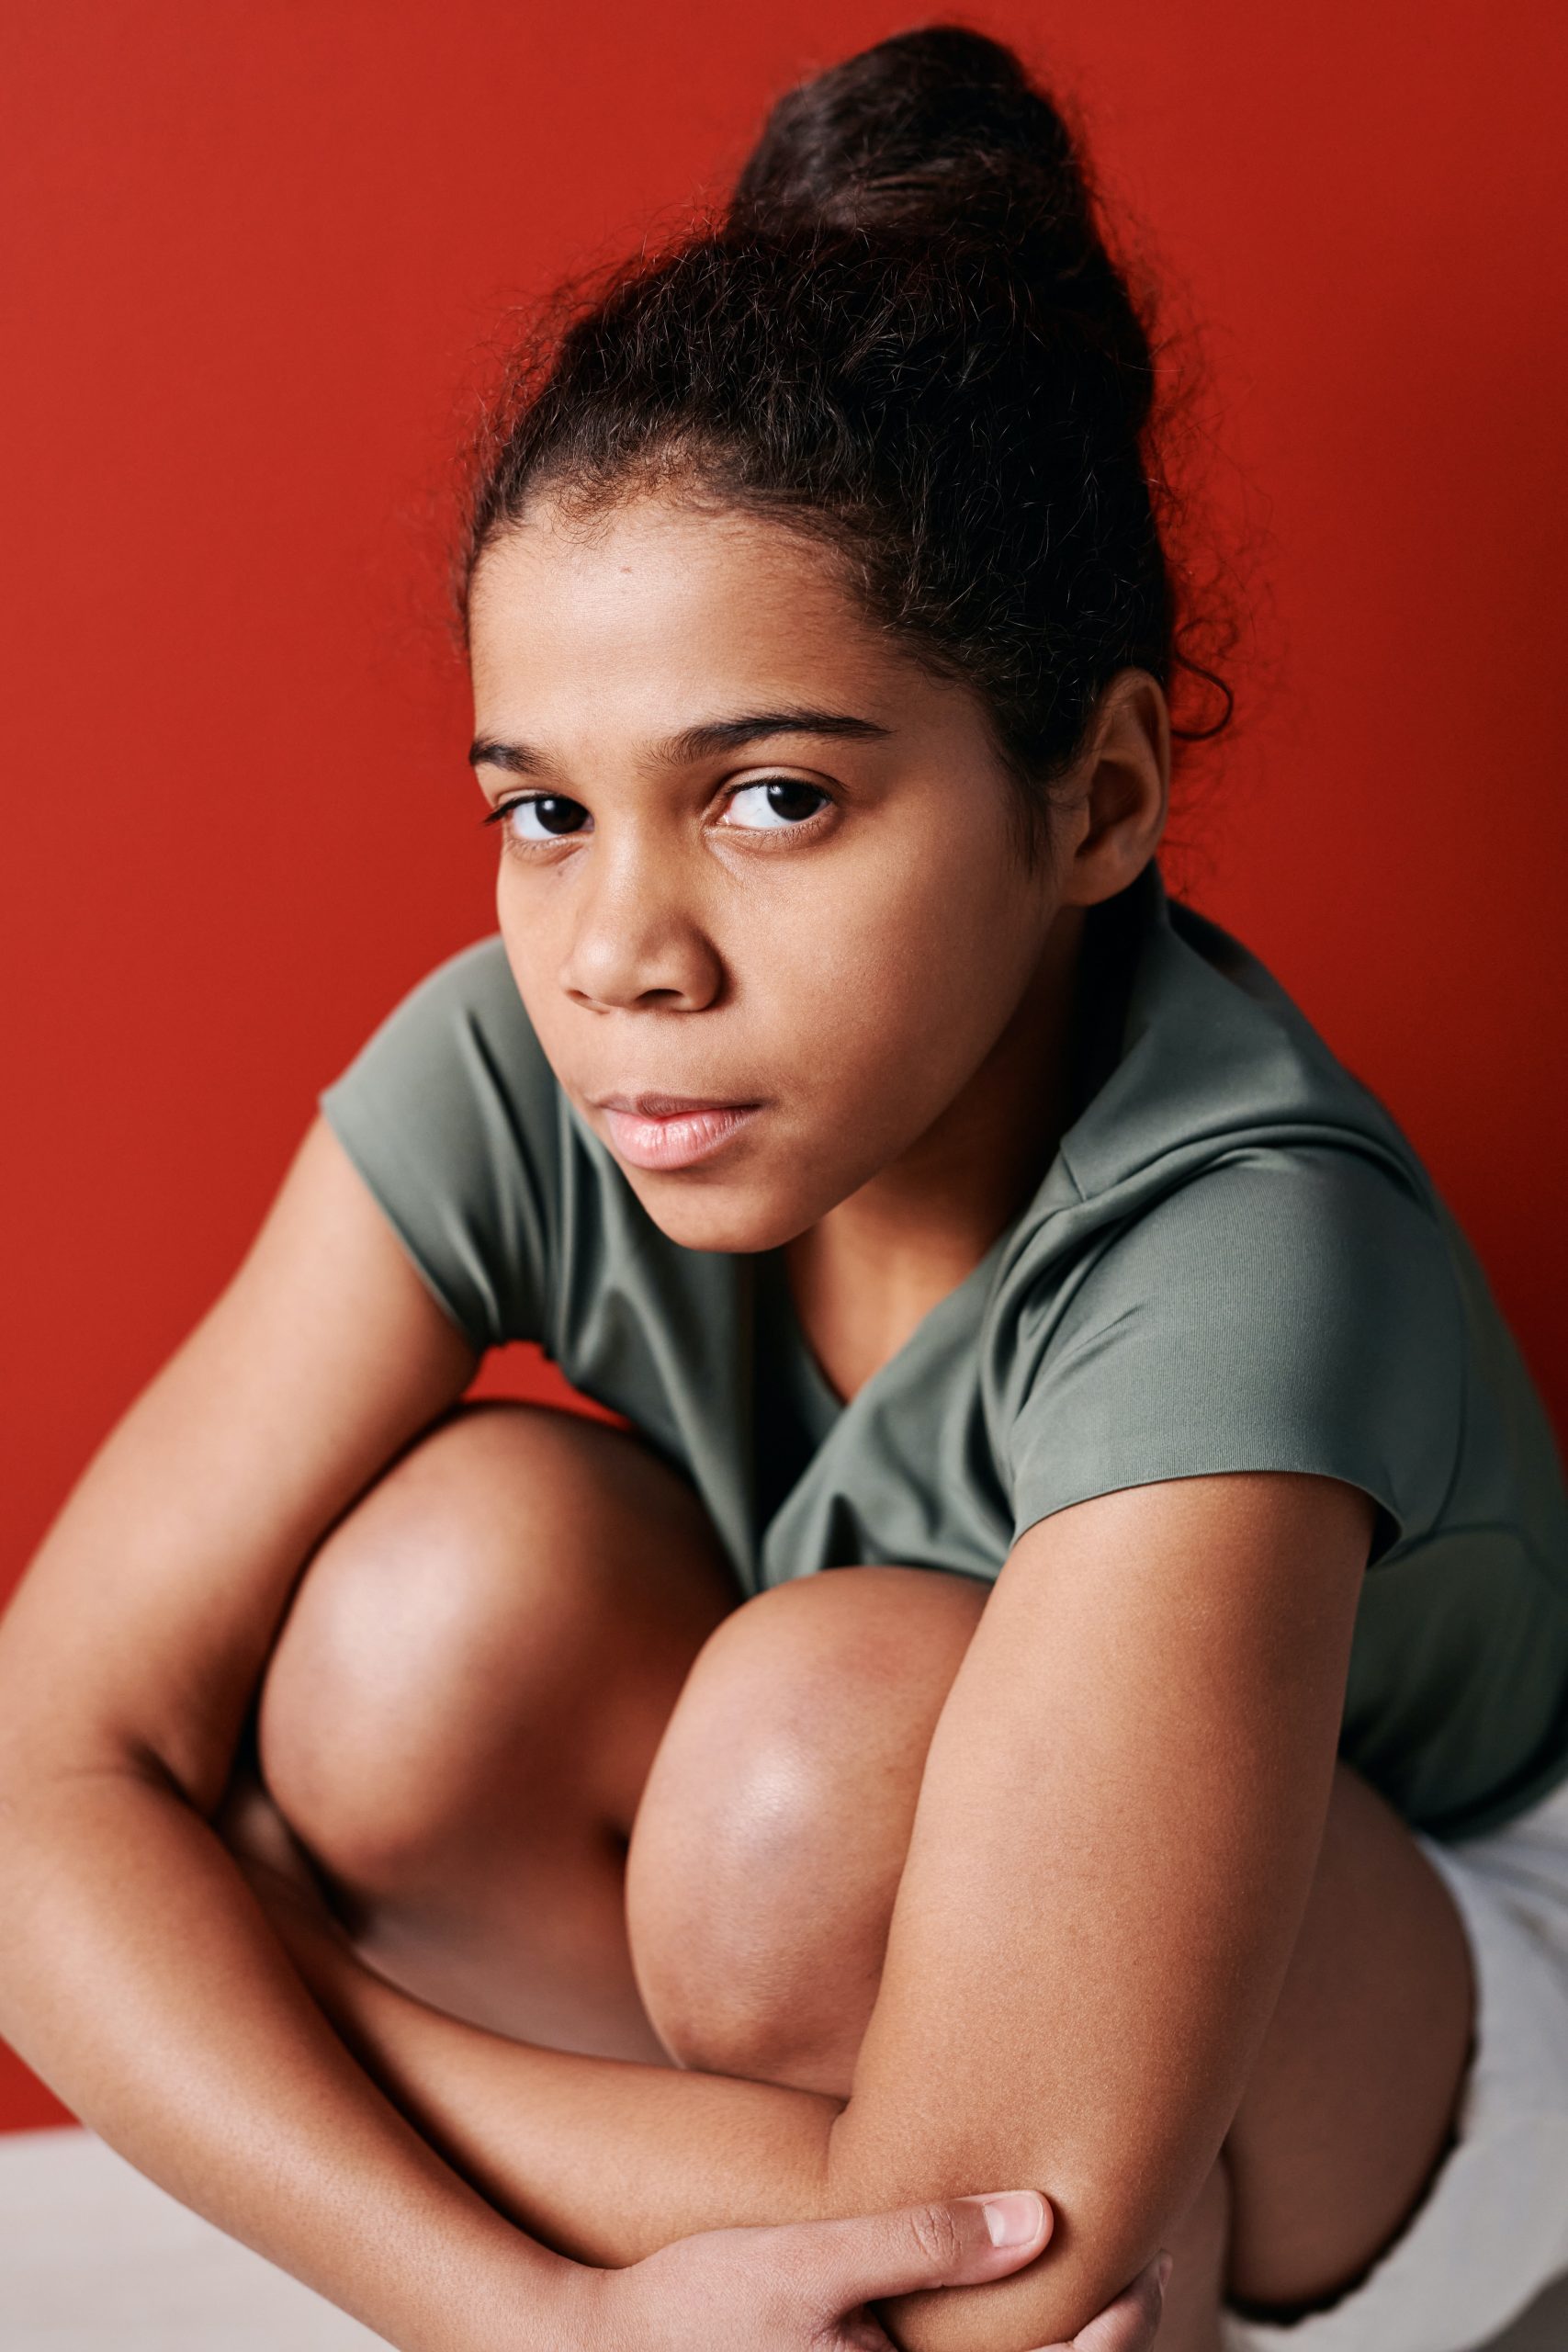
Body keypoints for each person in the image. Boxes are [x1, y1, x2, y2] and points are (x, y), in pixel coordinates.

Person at [4, 22, 1568, 2352]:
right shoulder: (528, 1060)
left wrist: (276, 1991)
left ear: (1099, 795)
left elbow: (985, 2236)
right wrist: (524, 2310)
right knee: (436, 1607)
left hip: (1435, 2083)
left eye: (772, 798)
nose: (621, 947)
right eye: (543, 808)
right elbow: (39, 1776)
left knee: (810, 1753)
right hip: (919, 2063)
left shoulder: (1246, 1239)